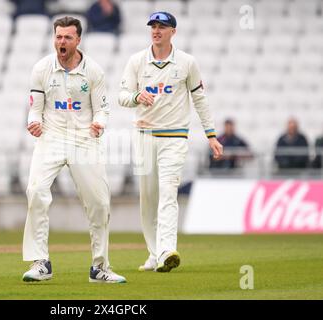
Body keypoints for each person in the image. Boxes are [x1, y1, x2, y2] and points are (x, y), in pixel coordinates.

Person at [22, 16, 126, 283]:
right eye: (58, 37)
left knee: (100, 203)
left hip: (83, 139)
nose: (62, 42)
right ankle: (40, 262)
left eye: (67, 37)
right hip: (52, 137)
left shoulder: (94, 71)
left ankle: (100, 267)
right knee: (35, 191)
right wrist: (33, 123)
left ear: (78, 40)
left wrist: (99, 123)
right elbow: (35, 109)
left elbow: (103, 108)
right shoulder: (42, 68)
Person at [118, 12, 223, 272]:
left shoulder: (187, 62)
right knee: (148, 199)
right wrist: (135, 97)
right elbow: (121, 95)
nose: (156, 30)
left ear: (173, 31)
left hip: (174, 137)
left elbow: (200, 100)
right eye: (153, 26)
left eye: (162, 27)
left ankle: (167, 251)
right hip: (144, 136)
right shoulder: (136, 61)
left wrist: (211, 135)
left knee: (168, 193)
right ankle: (154, 254)